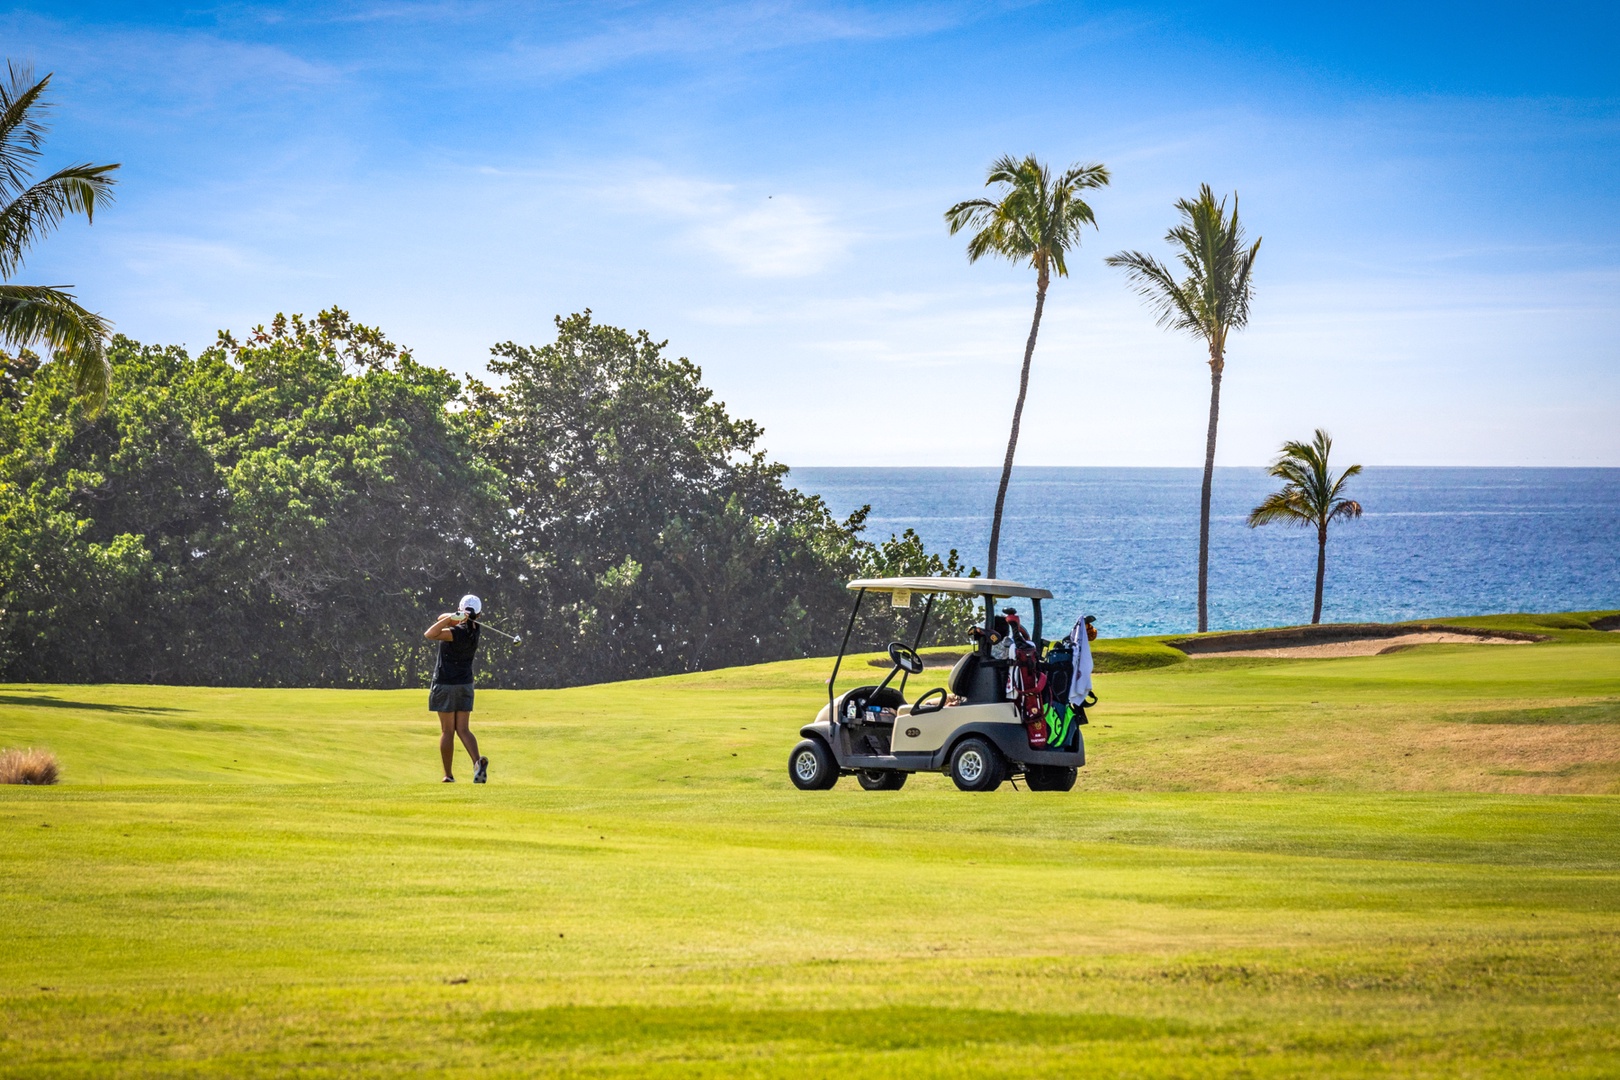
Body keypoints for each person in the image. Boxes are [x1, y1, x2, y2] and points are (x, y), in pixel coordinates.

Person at [424, 594, 489, 783]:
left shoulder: (455, 632)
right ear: (479, 614)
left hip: (445, 684)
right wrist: (458, 615)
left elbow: (430, 633)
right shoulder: (475, 629)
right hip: (465, 684)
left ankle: (448, 775)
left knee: (447, 731)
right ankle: (477, 763)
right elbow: (442, 618)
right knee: (463, 729)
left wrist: (454, 616)